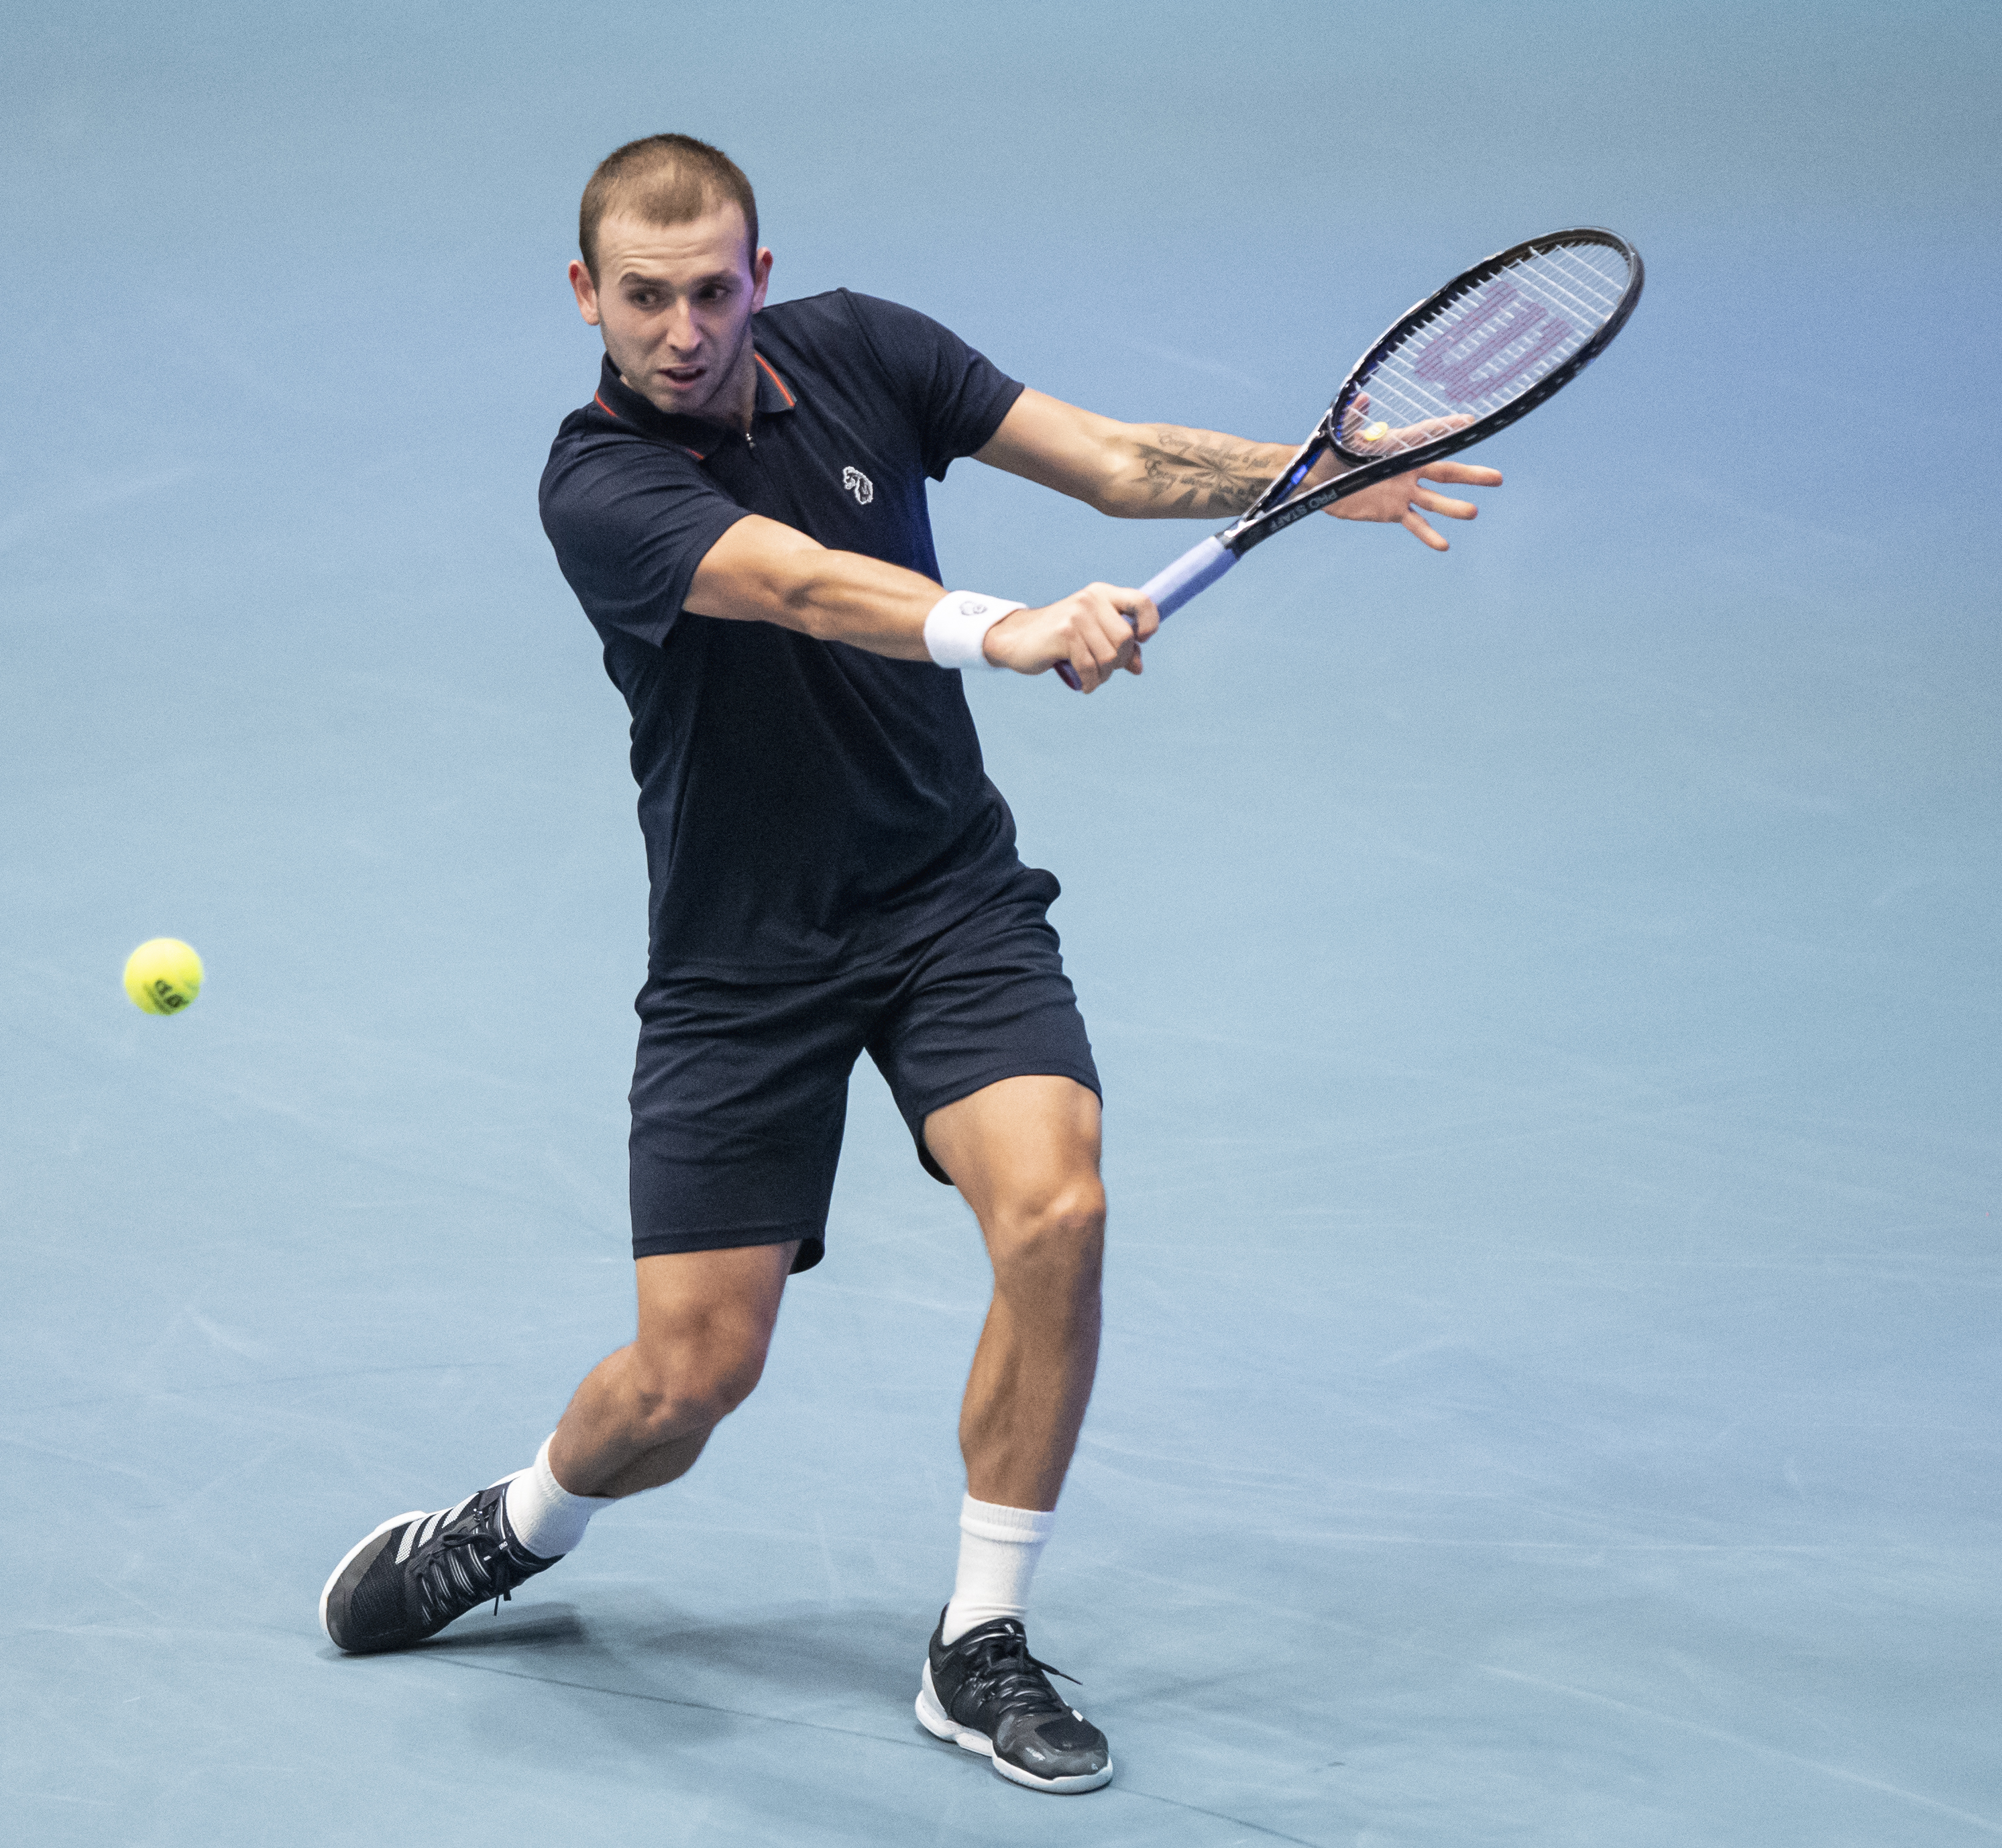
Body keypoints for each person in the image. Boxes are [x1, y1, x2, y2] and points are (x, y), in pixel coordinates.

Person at [319, 133, 1500, 1796]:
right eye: (641, 296)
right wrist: (1003, 626)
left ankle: (979, 1639)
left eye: (710, 289)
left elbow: (1102, 458)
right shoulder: (594, 483)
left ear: (761, 278)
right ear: (586, 295)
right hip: (741, 962)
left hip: (945, 900)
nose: (678, 327)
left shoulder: (866, 348)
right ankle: (515, 1524)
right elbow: (795, 586)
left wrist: (1293, 475)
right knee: (686, 1380)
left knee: (1058, 1207)